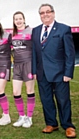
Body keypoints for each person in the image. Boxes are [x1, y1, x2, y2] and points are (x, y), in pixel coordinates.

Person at [32, 3, 76, 138]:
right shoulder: (36, 31)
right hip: (42, 73)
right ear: (40, 16)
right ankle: (51, 123)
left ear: (53, 13)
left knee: (63, 100)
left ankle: (68, 125)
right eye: (42, 13)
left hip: (60, 73)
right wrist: (34, 71)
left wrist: (68, 73)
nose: (45, 14)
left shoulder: (63, 29)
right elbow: (34, 52)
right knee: (46, 100)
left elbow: (70, 53)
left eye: (47, 12)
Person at [11, 11, 35, 128]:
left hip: (28, 63)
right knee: (16, 92)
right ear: (14, 21)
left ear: (24, 19)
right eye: (16, 19)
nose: (18, 21)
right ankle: (22, 116)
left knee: (29, 90)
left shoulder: (31, 31)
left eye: (20, 18)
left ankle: (29, 118)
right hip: (17, 65)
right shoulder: (12, 34)